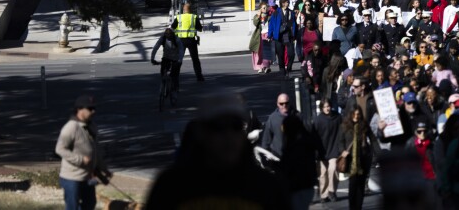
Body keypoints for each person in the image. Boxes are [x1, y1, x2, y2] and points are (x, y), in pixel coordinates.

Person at [145, 95, 290, 208]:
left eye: (235, 126)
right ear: (202, 133)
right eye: (218, 127)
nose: (228, 135)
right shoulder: (172, 187)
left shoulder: (266, 187)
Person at [55, 95, 111, 210]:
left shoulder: (92, 127)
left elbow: (95, 151)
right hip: (72, 178)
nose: (93, 111)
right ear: (79, 109)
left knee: (90, 204)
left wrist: (104, 168)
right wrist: (81, 159)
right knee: (72, 207)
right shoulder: (71, 127)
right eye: (90, 109)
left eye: (94, 108)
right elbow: (59, 149)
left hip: (87, 177)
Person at [340, 106, 372, 210]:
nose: (356, 116)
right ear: (350, 114)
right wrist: (343, 151)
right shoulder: (345, 126)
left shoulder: (364, 125)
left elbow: (372, 139)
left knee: (361, 186)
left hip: (363, 159)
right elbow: (340, 142)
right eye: (354, 114)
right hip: (351, 160)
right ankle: (352, 207)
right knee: (353, 185)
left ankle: (359, 207)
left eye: (358, 114)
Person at [313, 99, 343, 202]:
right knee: (323, 173)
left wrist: (341, 147)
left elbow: (343, 131)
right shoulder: (318, 120)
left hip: (334, 149)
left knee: (333, 168)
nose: (327, 108)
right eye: (325, 106)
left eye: (329, 106)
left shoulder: (338, 117)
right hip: (322, 150)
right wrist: (315, 151)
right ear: (321, 108)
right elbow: (314, 136)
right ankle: (324, 195)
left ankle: (332, 191)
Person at [172, 2, 205, 82]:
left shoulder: (179, 17)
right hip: (191, 41)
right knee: (195, 60)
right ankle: (199, 77)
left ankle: (174, 77)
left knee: (179, 60)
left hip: (181, 41)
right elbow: (200, 28)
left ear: (183, 10)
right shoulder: (194, 17)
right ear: (191, 10)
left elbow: (172, 27)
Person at [151, 28, 184, 105]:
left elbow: (181, 50)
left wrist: (180, 60)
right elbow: (156, 47)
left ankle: (175, 91)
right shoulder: (162, 38)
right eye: (167, 35)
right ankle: (164, 85)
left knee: (175, 76)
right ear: (165, 35)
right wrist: (152, 58)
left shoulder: (177, 39)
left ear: (172, 35)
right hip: (166, 58)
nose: (168, 36)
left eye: (170, 35)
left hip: (176, 59)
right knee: (163, 73)